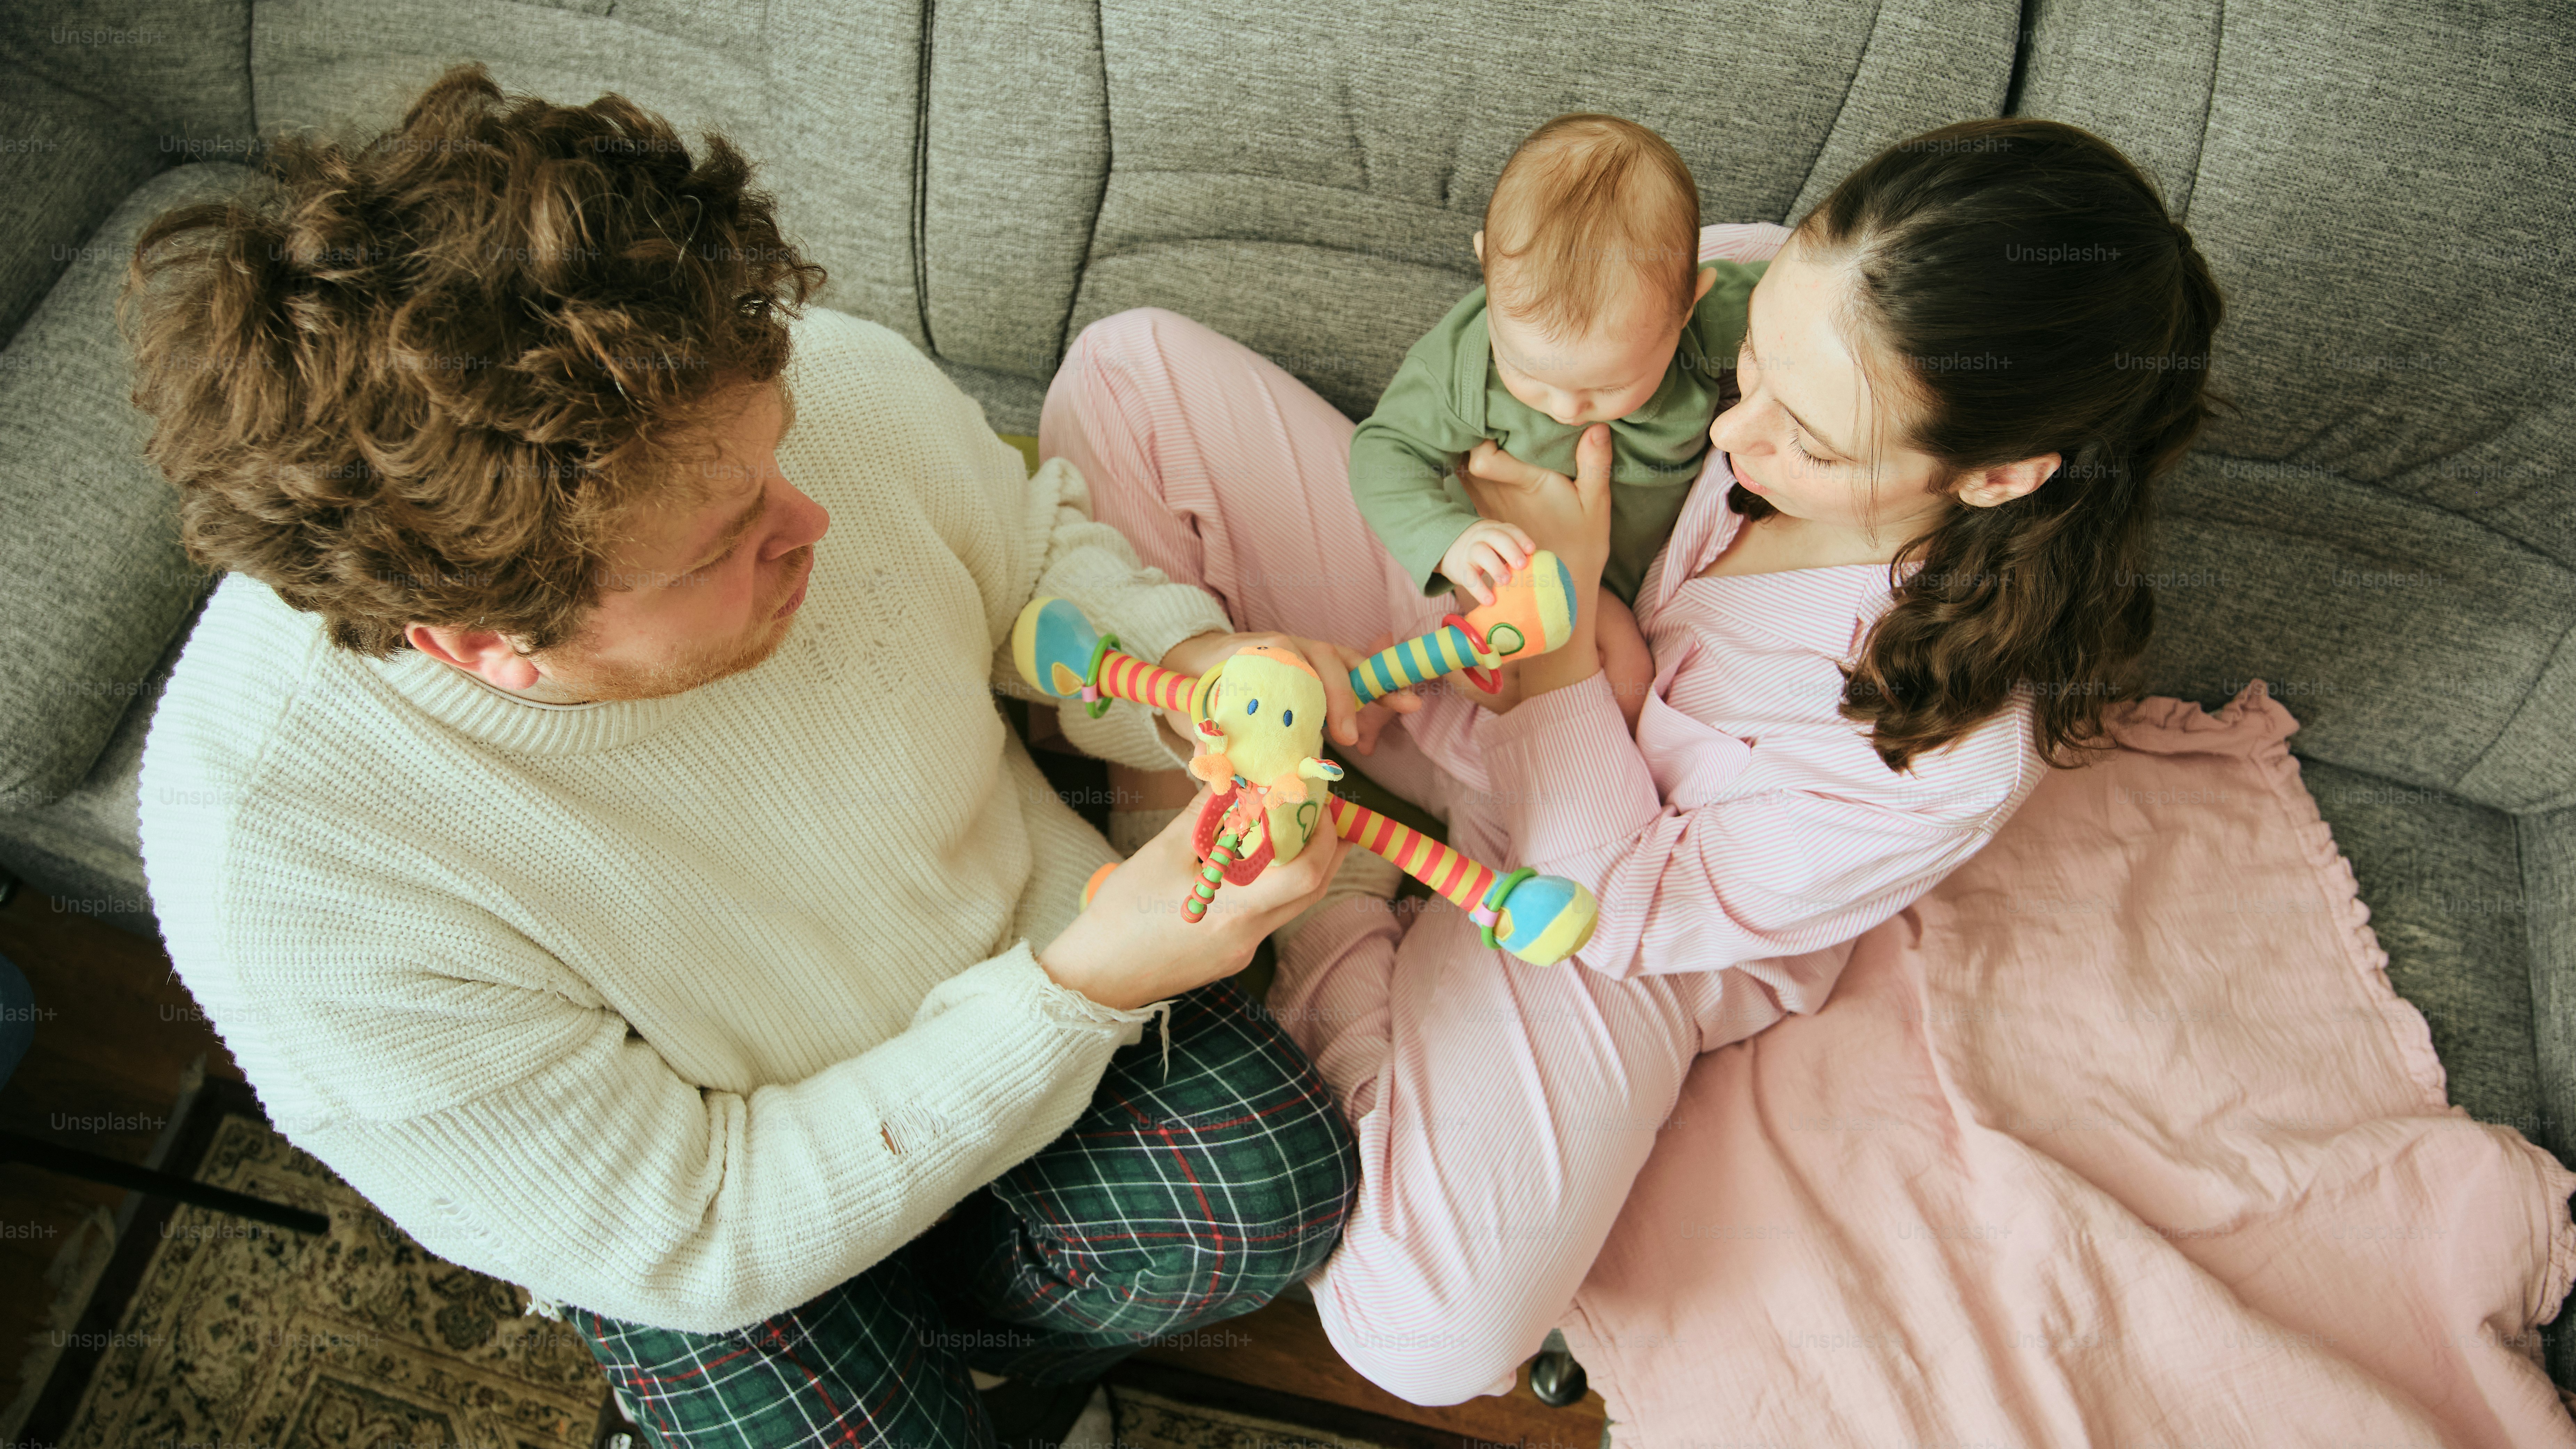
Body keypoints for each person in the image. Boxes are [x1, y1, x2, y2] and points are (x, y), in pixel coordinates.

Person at [125, 63, 1392, 1446]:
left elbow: (1020, 554)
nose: (811, 522)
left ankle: (964, 1350)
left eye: (775, 457)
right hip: (713, 1188)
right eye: (727, 543)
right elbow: (707, 1229)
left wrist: (1186, 671)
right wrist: (1085, 985)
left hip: (993, 954)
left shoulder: (770, 389)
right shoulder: (287, 884)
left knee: (1269, 1189)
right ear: (485, 645)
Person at [1054, 115, 2227, 1403]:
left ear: (1996, 477)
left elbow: (1635, 908)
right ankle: (1193, 824)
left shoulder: (1951, 751)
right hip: (1492, 649)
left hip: (1609, 897)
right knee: (1131, 377)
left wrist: (1555, 633)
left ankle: (1327, 902)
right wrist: (1469, 548)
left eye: (1812, 443)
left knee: (1424, 1338)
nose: (1735, 435)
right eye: (1751, 364)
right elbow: (1510, 376)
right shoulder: (1727, 286)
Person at [1348, 113, 1767, 733]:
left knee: (1612, 683)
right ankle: (1405, 685)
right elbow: (1382, 451)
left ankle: (1417, 681)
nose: (1567, 408)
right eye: (1531, 375)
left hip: (1631, 573)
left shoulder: (1716, 325)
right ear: (1486, 268)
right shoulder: (1463, 369)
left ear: (1689, 306)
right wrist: (1451, 538)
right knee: (1613, 676)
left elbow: (1808, 314)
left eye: (1607, 385)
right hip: (1523, 563)